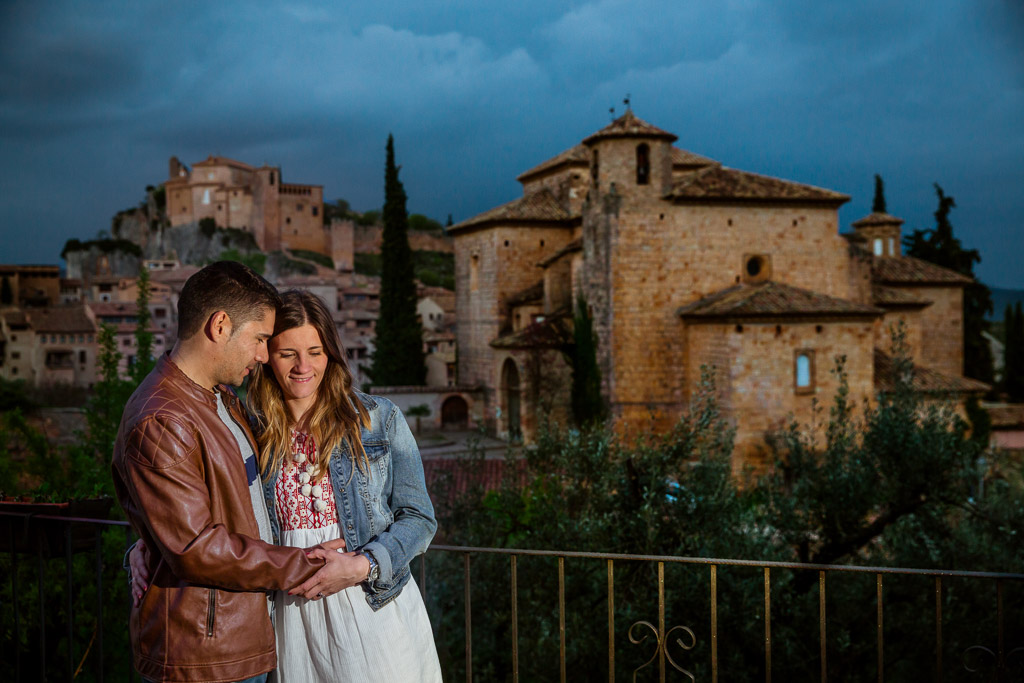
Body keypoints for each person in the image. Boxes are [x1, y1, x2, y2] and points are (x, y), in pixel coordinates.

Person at [131, 288, 442, 682]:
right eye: (286, 353)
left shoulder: (378, 419)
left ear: (331, 352)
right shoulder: (247, 429)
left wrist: (362, 566)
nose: (303, 367)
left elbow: (420, 518)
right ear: (266, 358)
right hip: (288, 617)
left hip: (373, 606)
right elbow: (199, 505)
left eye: (314, 351)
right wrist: (146, 543)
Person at [112, 262, 339, 683]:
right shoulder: (162, 420)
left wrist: (147, 544)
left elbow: (223, 508)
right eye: (259, 338)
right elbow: (197, 547)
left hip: (240, 637)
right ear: (220, 325)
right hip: (203, 655)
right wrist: (307, 563)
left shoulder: (221, 400)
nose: (262, 355)